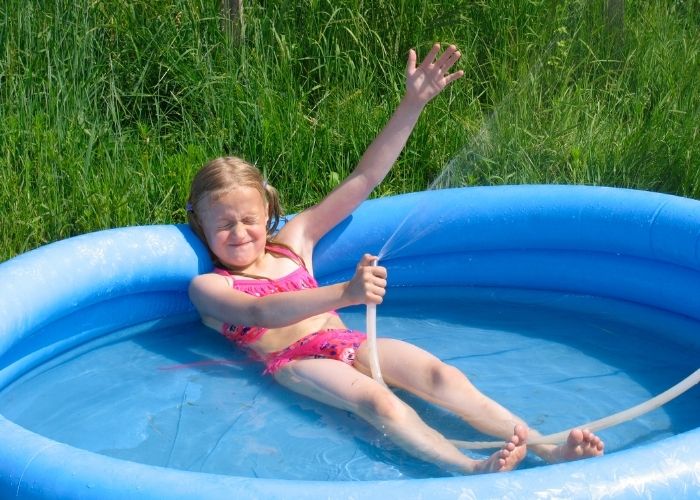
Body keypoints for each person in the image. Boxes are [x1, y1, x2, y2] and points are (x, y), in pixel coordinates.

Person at [187, 43, 604, 474]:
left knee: (441, 376)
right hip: (295, 361)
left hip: (350, 343)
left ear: (268, 212)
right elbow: (261, 311)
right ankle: (470, 469)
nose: (239, 233)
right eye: (223, 225)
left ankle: (549, 449)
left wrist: (412, 104)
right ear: (200, 226)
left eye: (249, 219)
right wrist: (344, 293)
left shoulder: (293, 242)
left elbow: (364, 179)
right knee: (377, 400)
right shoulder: (210, 287)